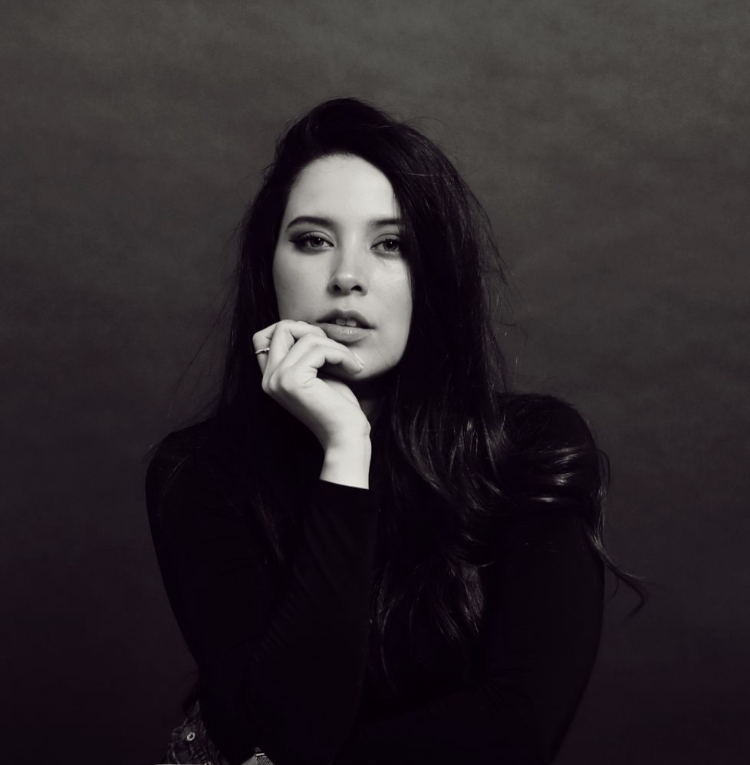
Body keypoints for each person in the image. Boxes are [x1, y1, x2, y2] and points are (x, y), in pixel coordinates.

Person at [145, 98, 646, 765]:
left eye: (391, 244)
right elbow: (290, 732)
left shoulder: (530, 449)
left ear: (433, 275)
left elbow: (518, 727)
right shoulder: (199, 472)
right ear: (270, 267)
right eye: (313, 240)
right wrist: (345, 452)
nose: (347, 278)